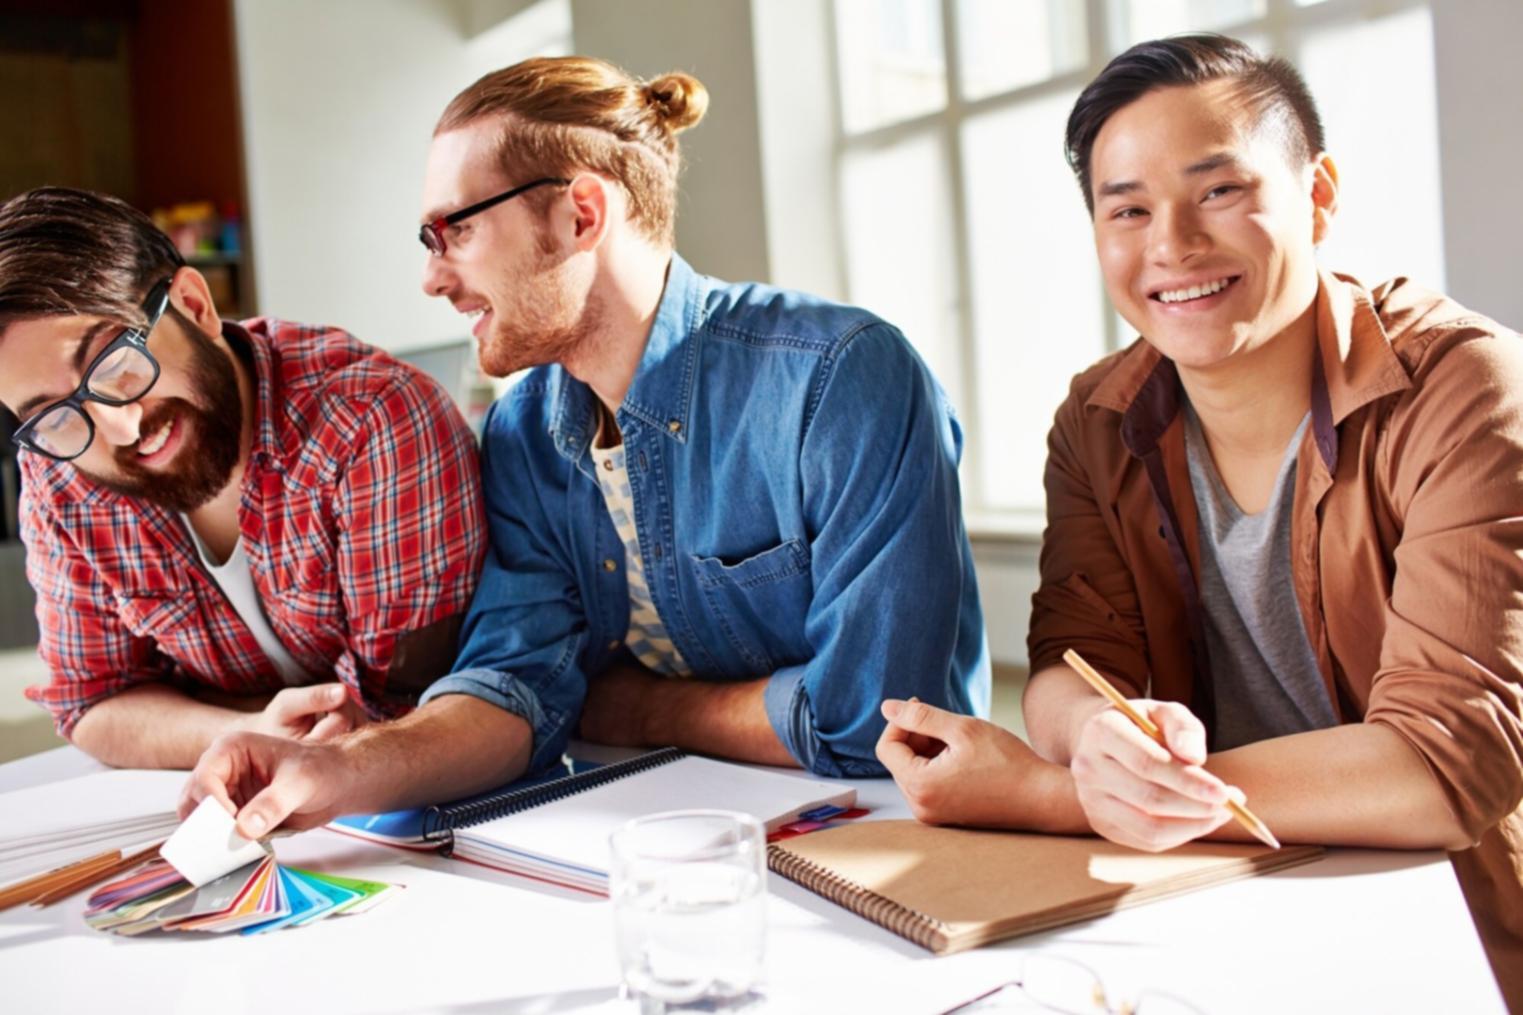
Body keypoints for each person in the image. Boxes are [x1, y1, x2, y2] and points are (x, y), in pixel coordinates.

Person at [873, 34, 1523, 1004]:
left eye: (1217, 191)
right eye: (1126, 209)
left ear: (1317, 193)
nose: (1169, 245)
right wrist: (1092, 733)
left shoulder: (1465, 388)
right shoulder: (1096, 418)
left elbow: (1441, 766)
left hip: (1443, 915)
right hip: (1217, 901)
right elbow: (1066, 662)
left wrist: (1052, 795)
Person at [181, 57, 986, 831]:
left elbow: (876, 724)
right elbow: (514, 685)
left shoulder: (839, 379)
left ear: (580, 215)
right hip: (653, 831)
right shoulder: (523, 430)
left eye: (452, 230)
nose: (432, 278)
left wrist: (630, 705)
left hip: (876, 843)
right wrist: (340, 769)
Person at [0, 187, 486, 769]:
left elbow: (401, 708)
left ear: (194, 305)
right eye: (55, 413)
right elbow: (92, 704)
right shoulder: (59, 472)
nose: (121, 427)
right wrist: (250, 728)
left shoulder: (369, 419)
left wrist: (183, 708)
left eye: (116, 364)